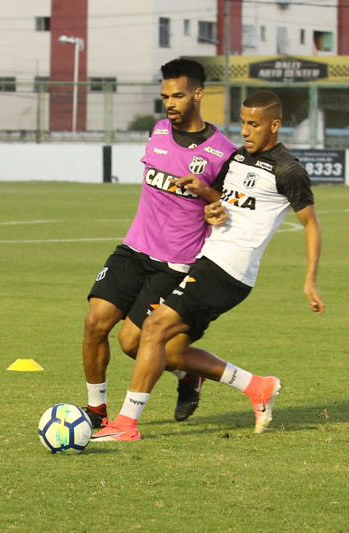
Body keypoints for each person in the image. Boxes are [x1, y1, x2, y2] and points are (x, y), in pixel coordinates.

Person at [92, 90, 325, 442]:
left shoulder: (288, 170)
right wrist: (209, 201)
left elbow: (311, 225)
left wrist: (310, 281)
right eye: (243, 123)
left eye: (254, 124)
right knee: (165, 349)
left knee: (153, 329)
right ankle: (257, 386)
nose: (245, 131)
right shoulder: (236, 161)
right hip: (209, 259)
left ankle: (126, 424)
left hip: (229, 270)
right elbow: (227, 207)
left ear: (274, 125)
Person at [82, 58, 237, 428]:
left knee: (132, 344)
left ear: (198, 94)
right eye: (165, 95)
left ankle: (188, 377)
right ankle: (96, 411)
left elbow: (230, 207)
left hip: (175, 262)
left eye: (178, 95)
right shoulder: (158, 131)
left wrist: (209, 195)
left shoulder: (223, 152)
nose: (170, 103)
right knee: (94, 323)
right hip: (133, 248)